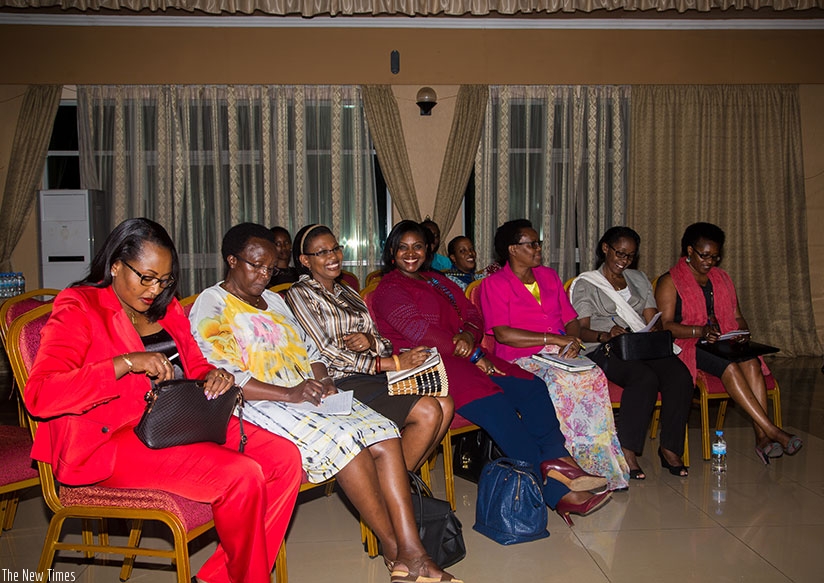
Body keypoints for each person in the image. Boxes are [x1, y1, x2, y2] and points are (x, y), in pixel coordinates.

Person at [24, 218, 302, 583]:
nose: (155, 289)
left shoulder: (166, 308)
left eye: (165, 279)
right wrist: (125, 363)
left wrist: (211, 375)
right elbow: (41, 395)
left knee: (285, 459)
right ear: (116, 266)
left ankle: (218, 578)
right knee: (242, 475)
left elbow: (197, 364)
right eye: (146, 277)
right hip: (110, 439)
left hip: (176, 421)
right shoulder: (78, 307)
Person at [189, 223, 460, 583]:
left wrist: (323, 381)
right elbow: (224, 374)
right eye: (255, 266)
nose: (263, 275)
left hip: (308, 392)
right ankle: (398, 552)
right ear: (232, 260)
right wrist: (290, 393)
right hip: (260, 403)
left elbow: (311, 350)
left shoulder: (273, 299)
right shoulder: (212, 303)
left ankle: (414, 551)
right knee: (348, 443)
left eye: (270, 268)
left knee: (382, 431)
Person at [372, 220, 611, 526]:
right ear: (391, 252)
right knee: (498, 408)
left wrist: (471, 338)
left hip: (466, 355)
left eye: (417, 246)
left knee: (532, 387)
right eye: (402, 247)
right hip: (428, 365)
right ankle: (558, 493)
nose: (410, 253)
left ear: (427, 250)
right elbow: (419, 331)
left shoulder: (437, 281)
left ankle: (561, 462)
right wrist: (472, 353)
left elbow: (472, 314)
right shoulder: (388, 290)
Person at [285, 224, 454, 472]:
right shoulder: (300, 293)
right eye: (322, 252)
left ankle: (397, 486)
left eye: (335, 249)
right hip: (338, 382)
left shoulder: (349, 293)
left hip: (373, 376)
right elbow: (325, 350)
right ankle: (395, 494)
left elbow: (383, 343)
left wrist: (370, 341)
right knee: (427, 411)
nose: (333, 257)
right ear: (305, 260)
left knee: (445, 403)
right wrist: (389, 364)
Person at [480, 219, 629, 491]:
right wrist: (552, 338)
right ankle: (566, 464)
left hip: (559, 353)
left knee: (593, 375)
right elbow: (502, 334)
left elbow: (570, 319)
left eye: (539, 243)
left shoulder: (548, 276)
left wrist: (571, 339)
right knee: (561, 383)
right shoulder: (494, 284)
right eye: (532, 244)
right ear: (513, 249)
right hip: (520, 357)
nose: (538, 249)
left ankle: (599, 464)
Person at [655, 222, 802, 462]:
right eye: (704, 255)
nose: (710, 262)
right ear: (689, 251)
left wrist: (742, 331)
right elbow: (666, 326)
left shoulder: (722, 279)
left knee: (752, 363)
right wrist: (698, 331)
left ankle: (762, 438)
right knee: (730, 367)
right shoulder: (670, 281)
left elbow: (737, 317)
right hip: (687, 345)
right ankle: (773, 430)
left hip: (721, 342)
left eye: (715, 256)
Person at [569, 226, 693, 478]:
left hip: (639, 345)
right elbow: (581, 331)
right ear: (606, 249)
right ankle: (627, 450)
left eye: (630, 256)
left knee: (679, 376)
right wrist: (606, 334)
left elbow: (651, 319)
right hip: (603, 347)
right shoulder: (586, 283)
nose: (624, 261)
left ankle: (670, 448)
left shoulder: (639, 279)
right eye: (620, 253)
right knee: (643, 378)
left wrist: (652, 331)